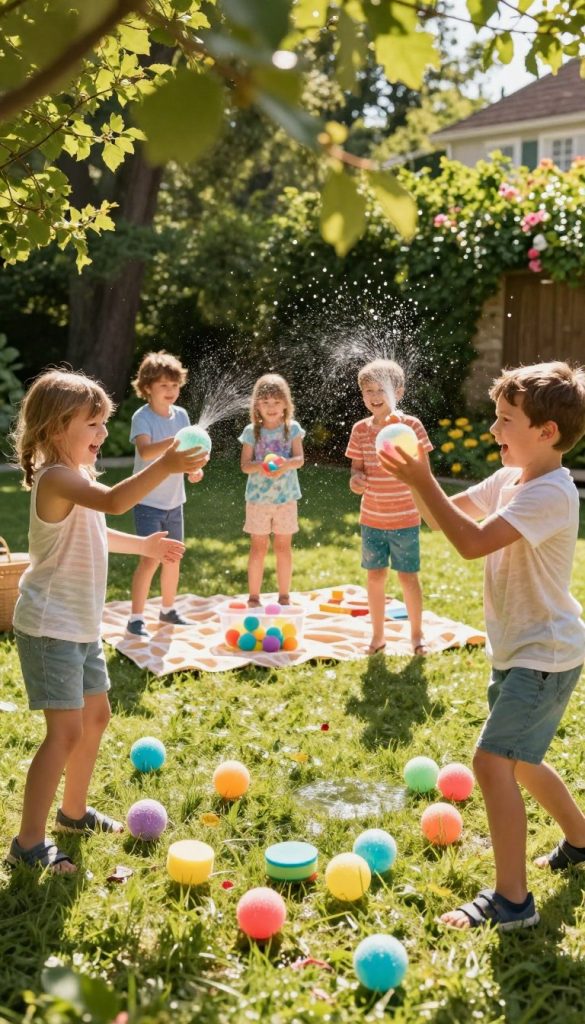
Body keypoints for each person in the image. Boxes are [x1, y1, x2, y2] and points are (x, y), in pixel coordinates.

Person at [379, 361, 585, 930]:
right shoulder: (510, 479)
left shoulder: (551, 493)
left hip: (543, 654)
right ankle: (582, 841)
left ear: (546, 432)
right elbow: (447, 515)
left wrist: (422, 479)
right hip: (523, 651)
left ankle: (512, 902)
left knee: (493, 763)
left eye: (505, 420)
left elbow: (469, 543)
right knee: (520, 762)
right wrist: (408, 474)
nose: (494, 431)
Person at [8, 368, 205, 873]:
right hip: (51, 628)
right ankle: (29, 841)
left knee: (96, 718)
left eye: (103, 425)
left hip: (81, 626)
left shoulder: (82, 478)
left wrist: (143, 545)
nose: (101, 435)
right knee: (64, 733)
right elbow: (118, 502)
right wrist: (167, 464)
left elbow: (98, 527)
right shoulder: (56, 478)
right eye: (91, 425)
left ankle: (72, 815)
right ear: (55, 429)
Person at [346, 359, 433, 656]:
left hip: (405, 517)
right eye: (368, 391)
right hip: (372, 517)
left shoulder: (411, 426)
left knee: (408, 577)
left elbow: (425, 471)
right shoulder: (360, 430)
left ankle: (417, 635)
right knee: (375, 576)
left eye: (381, 389)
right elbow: (357, 469)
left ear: (399, 391)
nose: (374, 396)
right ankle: (378, 636)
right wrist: (356, 480)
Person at [127, 351, 205, 638]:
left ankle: (168, 610)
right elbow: (145, 451)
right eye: (163, 386)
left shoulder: (182, 415)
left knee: (173, 558)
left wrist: (193, 470)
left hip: (175, 502)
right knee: (150, 560)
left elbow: (186, 452)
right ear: (147, 387)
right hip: (147, 501)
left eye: (174, 385)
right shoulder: (142, 417)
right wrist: (175, 440)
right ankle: (135, 618)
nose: (171, 391)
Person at [239, 374, 305, 607]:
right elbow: (245, 466)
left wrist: (285, 463)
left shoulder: (292, 429)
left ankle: (284, 595)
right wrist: (262, 466)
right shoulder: (251, 431)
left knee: (283, 547)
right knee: (258, 547)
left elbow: (299, 460)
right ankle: (254, 597)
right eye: (265, 402)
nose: (271, 407)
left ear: (286, 404)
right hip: (258, 500)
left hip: (286, 499)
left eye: (276, 402)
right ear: (257, 405)